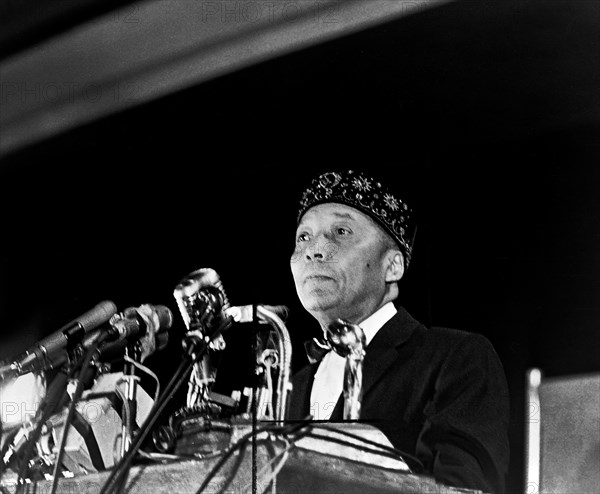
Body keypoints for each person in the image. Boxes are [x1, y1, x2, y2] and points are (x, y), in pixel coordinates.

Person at [287, 169, 510, 494]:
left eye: (340, 231)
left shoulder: (457, 357)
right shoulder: (293, 386)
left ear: (393, 265)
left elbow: (465, 487)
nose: (314, 250)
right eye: (303, 237)